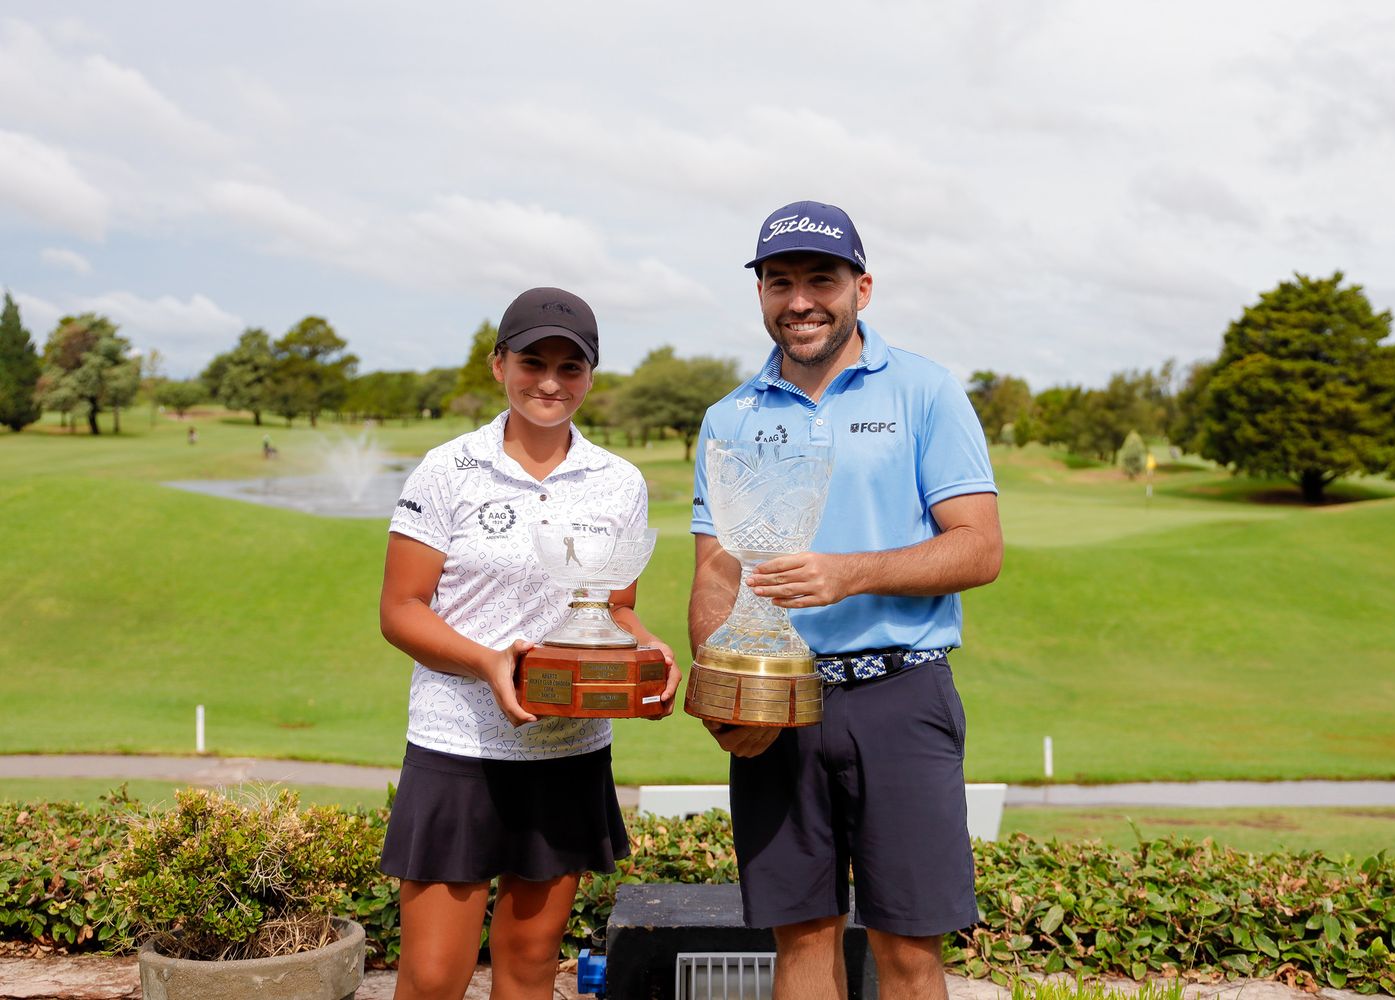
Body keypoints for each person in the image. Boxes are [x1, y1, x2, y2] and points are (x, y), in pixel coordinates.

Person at [688, 201, 1003, 999]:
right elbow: (715, 574)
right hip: (779, 708)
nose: (800, 300)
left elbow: (979, 546)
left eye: (820, 279)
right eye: (779, 281)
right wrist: (723, 693)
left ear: (862, 286)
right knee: (800, 941)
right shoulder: (729, 418)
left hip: (900, 694)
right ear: (760, 293)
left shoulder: (926, 390)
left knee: (908, 949)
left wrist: (849, 574)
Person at [379, 287, 679, 1000]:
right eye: (532, 361)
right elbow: (400, 610)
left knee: (531, 961)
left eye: (570, 367)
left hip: (567, 748)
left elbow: (615, 608)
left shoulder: (620, 481)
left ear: (591, 375)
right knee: (431, 977)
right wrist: (488, 663)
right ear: (498, 365)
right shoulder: (448, 469)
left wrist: (647, 654)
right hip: (459, 745)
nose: (550, 381)